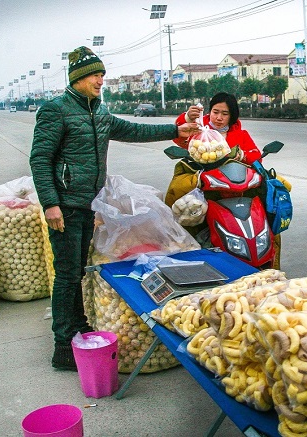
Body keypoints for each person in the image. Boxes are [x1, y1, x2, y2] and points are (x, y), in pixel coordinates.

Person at [30, 46, 198, 370]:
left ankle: (79, 328)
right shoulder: (57, 110)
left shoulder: (100, 113)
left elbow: (134, 130)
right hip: (65, 206)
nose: (101, 80)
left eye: (103, 74)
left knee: (77, 272)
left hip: (89, 205)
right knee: (66, 275)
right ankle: (63, 345)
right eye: (95, 74)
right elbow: (40, 159)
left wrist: (174, 131)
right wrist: (50, 204)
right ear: (78, 77)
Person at [174, 92, 262, 165]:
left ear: (232, 115)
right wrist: (187, 118)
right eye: (215, 112)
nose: (219, 117)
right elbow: (178, 137)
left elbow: (257, 158)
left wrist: (242, 155)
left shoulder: (241, 135)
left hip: (230, 180)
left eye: (225, 114)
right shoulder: (198, 129)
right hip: (202, 178)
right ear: (210, 111)